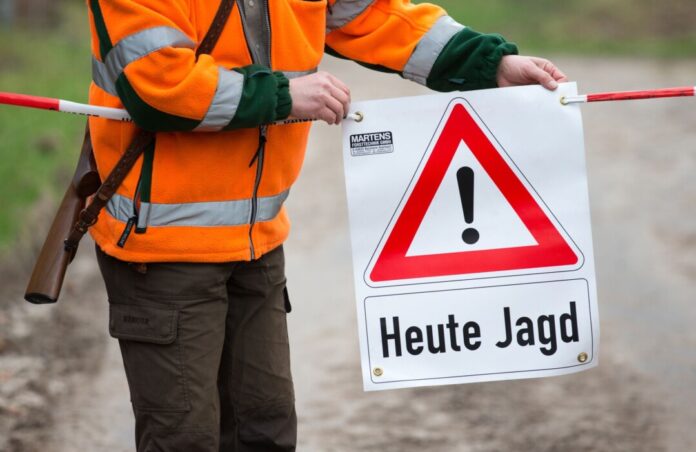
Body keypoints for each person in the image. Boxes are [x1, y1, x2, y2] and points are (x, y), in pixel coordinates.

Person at [86, 0, 567, 450]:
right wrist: (283, 95)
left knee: (266, 430)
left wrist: (490, 65)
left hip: (258, 246)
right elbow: (158, 82)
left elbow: (375, 14)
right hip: (162, 251)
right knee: (184, 438)